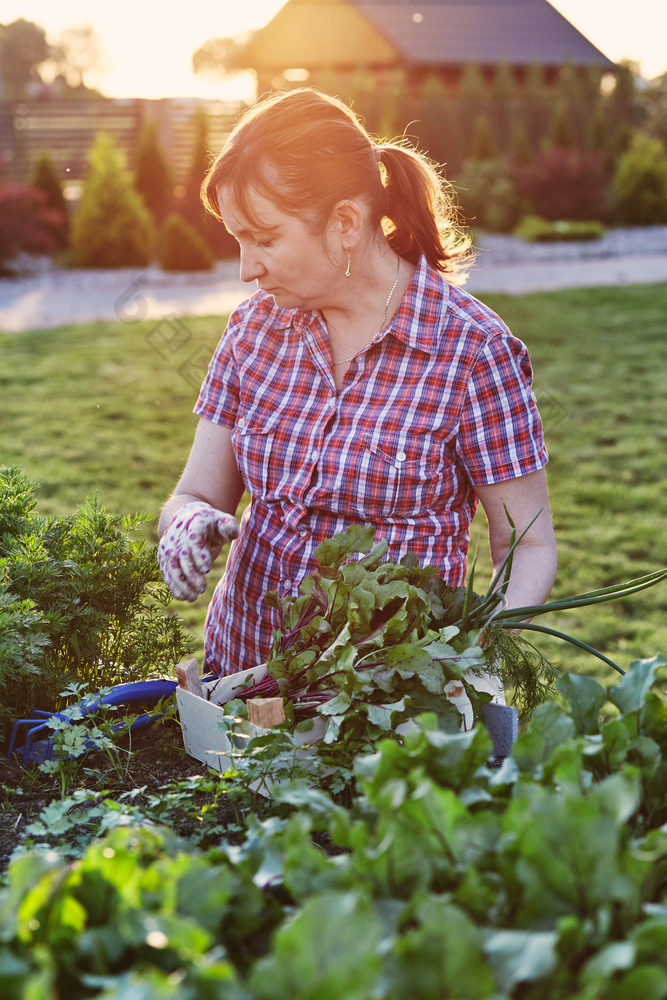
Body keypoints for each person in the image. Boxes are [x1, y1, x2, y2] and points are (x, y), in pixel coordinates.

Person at [158, 88, 557, 687]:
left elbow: (525, 546)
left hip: (385, 705)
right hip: (239, 681)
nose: (246, 268)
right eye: (238, 240)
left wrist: (471, 658)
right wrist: (186, 524)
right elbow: (196, 494)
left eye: (264, 239)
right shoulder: (252, 329)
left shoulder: (472, 353)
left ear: (345, 222)